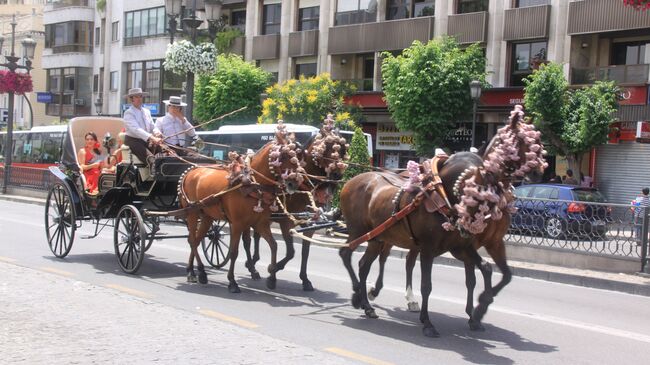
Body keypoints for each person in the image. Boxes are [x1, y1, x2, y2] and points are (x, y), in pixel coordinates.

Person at [122, 87, 162, 166]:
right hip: (133, 141)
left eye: (140, 96)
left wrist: (157, 132)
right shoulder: (129, 113)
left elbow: (152, 126)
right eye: (136, 97)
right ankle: (154, 173)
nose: (139, 98)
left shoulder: (147, 111)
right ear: (131, 99)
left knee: (164, 153)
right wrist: (152, 137)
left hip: (146, 140)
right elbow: (136, 129)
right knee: (150, 159)